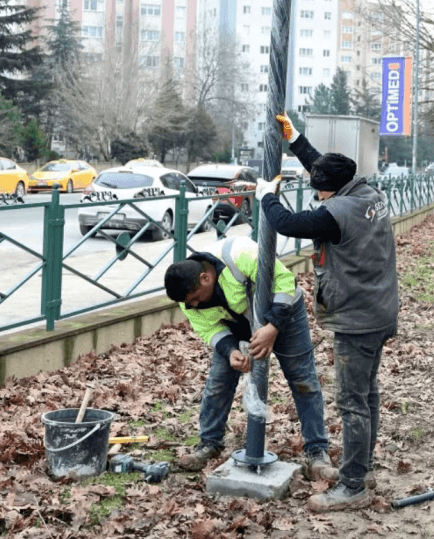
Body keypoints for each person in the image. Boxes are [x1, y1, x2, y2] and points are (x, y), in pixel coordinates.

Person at [252, 112, 400, 512]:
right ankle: (362, 469)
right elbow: (327, 172)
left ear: (331, 193)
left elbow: (286, 222)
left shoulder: (335, 214)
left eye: (319, 192)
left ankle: (353, 486)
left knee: (352, 401)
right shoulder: (367, 194)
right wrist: (296, 140)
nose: (316, 196)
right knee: (366, 394)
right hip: (380, 311)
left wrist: (265, 193)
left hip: (357, 318)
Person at [163, 236, 336, 481]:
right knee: (218, 382)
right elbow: (208, 329)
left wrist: (272, 327)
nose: (192, 305)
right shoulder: (187, 298)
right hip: (237, 323)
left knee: (302, 379)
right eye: (188, 303)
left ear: (205, 278)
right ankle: (209, 443)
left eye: (195, 298)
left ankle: (317, 451)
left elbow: (285, 280)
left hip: (283, 312)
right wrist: (230, 350)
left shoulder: (241, 254)